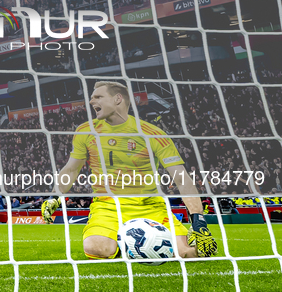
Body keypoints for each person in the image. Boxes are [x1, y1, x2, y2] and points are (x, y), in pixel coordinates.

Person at [42, 81, 218, 259]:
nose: (91, 101)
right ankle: (139, 247)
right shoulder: (85, 131)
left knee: (191, 254)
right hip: (107, 207)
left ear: (118, 99)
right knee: (95, 247)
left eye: (98, 97)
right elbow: (72, 169)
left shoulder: (152, 134)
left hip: (152, 207)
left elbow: (182, 179)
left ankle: (140, 246)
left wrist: (198, 220)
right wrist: (54, 196)